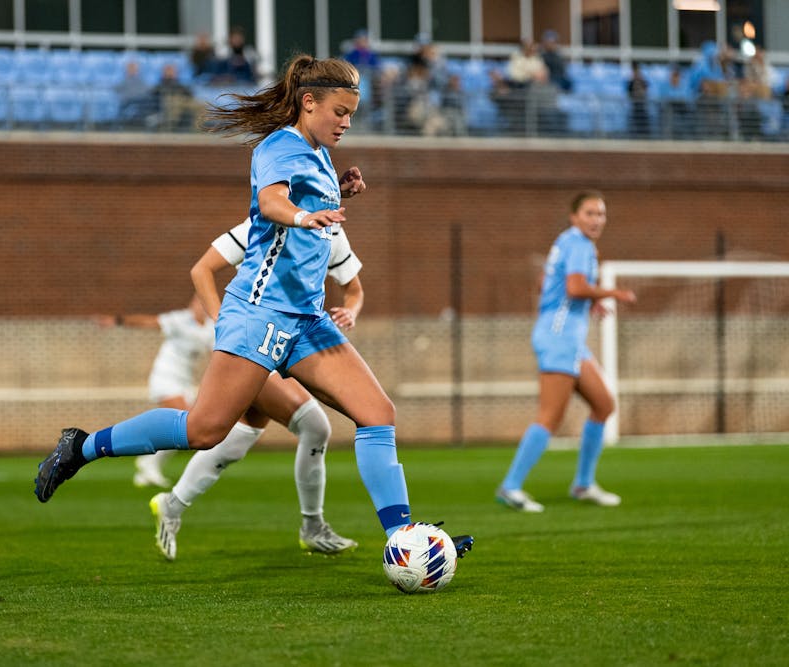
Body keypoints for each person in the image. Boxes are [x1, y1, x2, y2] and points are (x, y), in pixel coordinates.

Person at [34, 54, 473, 562]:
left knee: (377, 413)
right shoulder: (279, 146)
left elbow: (308, 210)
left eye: (351, 114)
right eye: (340, 112)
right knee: (204, 430)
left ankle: (402, 538)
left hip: (306, 319)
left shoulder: (319, 156)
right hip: (260, 312)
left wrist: (341, 189)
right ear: (308, 103)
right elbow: (271, 204)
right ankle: (81, 447)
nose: (346, 123)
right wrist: (305, 215)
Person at [149, 218, 365, 559]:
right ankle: (312, 526)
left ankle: (172, 505)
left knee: (235, 439)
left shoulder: (330, 229)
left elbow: (354, 288)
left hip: (289, 346)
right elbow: (202, 270)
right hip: (254, 345)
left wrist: (350, 311)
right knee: (314, 426)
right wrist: (226, 325)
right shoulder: (265, 219)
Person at [496, 192, 636, 513]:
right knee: (550, 416)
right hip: (559, 338)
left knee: (603, 404)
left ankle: (584, 484)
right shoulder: (579, 245)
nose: (596, 219)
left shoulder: (568, 242)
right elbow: (573, 287)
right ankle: (511, 486)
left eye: (601, 214)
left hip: (569, 340)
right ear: (574, 216)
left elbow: (549, 282)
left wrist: (593, 299)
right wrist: (612, 293)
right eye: (590, 213)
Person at [93, 296, 214, 490]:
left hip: (185, 383)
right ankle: (147, 462)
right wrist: (118, 320)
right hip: (165, 378)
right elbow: (150, 322)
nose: (197, 307)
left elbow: (215, 357)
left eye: (202, 303)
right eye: (195, 302)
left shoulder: (211, 328)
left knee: (187, 429)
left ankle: (147, 465)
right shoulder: (179, 319)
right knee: (185, 423)